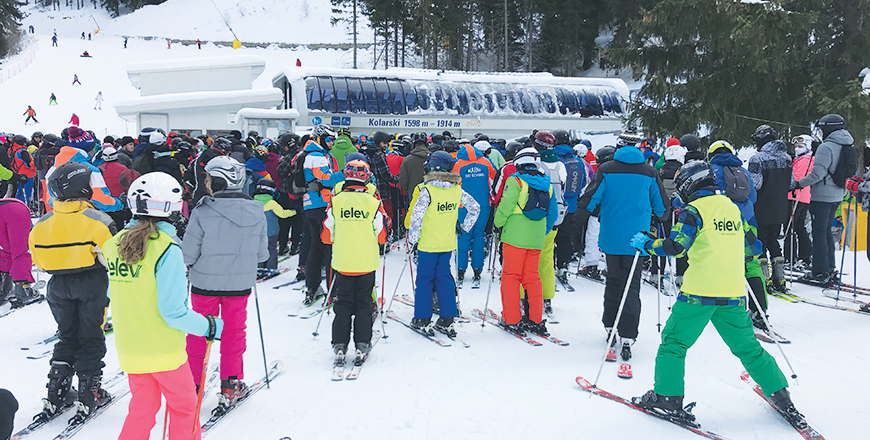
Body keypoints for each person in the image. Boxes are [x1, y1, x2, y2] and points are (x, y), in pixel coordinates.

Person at [630, 161, 807, 431]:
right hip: (733, 292)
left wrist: (646, 243)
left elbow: (676, 247)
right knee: (749, 349)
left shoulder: (694, 211)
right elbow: (754, 245)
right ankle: (781, 394)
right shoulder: (732, 209)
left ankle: (667, 397)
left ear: (690, 184)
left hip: (699, 293)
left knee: (674, 344)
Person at [105, 172, 222, 440]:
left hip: (131, 348)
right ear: (171, 207)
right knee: (183, 408)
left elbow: (116, 293)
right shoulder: (167, 249)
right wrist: (209, 325)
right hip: (164, 352)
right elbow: (173, 312)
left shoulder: (112, 245)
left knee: (142, 409)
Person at [29, 161, 117, 424]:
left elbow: (39, 261)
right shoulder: (99, 220)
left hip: (56, 285)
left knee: (67, 336)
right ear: (83, 188)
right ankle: (90, 392)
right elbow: (111, 258)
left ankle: (56, 391)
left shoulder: (42, 224)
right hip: (91, 282)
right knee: (91, 337)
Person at [578, 129, 667, 376]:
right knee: (632, 286)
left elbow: (592, 196)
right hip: (637, 240)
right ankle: (628, 334)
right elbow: (660, 205)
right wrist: (662, 216)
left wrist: (582, 216)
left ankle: (610, 325)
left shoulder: (606, 168)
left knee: (614, 282)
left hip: (611, 235)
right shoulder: (649, 171)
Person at [183, 156, 267, 410]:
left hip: (203, 284)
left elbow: (188, 254)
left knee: (199, 332)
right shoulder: (256, 210)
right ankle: (231, 384)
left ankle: (192, 385)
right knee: (233, 333)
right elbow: (262, 255)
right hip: (239, 285)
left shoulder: (202, 211)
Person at [407, 151, 479, 337]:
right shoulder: (456, 189)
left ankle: (422, 319)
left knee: (424, 281)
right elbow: (475, 207)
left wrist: (413, 241)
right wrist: (464, 226)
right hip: (447, 244)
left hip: (427, 245)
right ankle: (447, 319)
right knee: (444, 280)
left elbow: (416, 218)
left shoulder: (427, 190)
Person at [323, 160, 386, 364]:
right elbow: (382, 236)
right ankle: (362, 343)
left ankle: (340, 344)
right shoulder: (373, 203)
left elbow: (326, 235)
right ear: (366, 178)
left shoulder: (336, 201)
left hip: (343, 262)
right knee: (364, 304)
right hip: (366, 262)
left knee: (342, 304)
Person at [707, 140, 769, 330]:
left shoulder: (711, 171)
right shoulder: (744, 172)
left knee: (722, 263)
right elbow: (754, 197)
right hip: (749, 224)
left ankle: (723, 305)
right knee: (751, 264)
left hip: (723, 224)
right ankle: (760, 309)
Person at [494, 147, 557, 335]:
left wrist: (498, 224)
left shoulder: (516, 181)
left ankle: (512, 319)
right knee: (533, 277)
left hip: (514, 237)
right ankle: (535, 319)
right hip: (536, 237)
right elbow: (552, 213)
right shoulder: (547, 184)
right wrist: (542, 231)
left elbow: (505, 207)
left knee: (511, 277)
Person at [795, 114, 852, 285]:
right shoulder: (847, 144)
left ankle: (819, 271)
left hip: (822, 196)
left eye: (821, 129)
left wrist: (799, 183)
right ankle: (829, 268)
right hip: (837, 194)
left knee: (818, 233)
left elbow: (817, 174)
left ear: (827, 129)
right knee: (826, 231)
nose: (819, 133)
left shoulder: (826, 147)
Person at [747, 125, 793, 294]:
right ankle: (780, 278)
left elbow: (755, 184)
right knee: (774, 240)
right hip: (781, 208)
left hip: (761, 207)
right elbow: (792, 183)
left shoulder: (757, 158)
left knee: (760, 242)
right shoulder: (787, 158)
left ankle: (763, 278)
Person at [301, 126, 344, 302]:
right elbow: (326, 179)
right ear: (318, 139)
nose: (331, 143)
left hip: (310, 204)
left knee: (316, 248)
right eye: (328, 140)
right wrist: (345, 174)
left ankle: (312, 287)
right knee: (329, 248)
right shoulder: (317, 157)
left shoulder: (306, 154)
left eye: (332, 139)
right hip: (322, 204)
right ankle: (333, 291)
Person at [453, 141, 495, 286]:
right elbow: (494, 181)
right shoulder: (486, 163)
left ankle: (460, 269)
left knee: (463, 236)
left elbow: (453, 185)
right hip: (483, 205)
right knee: (479, 235)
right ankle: (477, 268)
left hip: (463, 206)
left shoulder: (458, 164)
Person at [0, 198, 42, 308]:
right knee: (18, 250)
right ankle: (23, 289)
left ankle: (4, 287)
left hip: (10, 209)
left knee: (5, 250)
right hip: (17, 210)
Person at [253, 178, 295, 276]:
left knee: (260, 249)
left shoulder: (253, 202)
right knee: (271, 249)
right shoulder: (272, 203)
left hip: (257, 232)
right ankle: (271, 268)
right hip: (272, 232)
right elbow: (283, 214)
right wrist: (293, 212)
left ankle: (260, 268)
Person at [784, 135, 814, 269]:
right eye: (796, 147)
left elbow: (797, 178)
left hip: (795, 196)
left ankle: (790, 257)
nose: (797, 149)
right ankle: (805, 255)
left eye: (800, 146)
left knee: (789, 226)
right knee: (798, 227)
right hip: (803, 197)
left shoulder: (805, 160)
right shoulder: (801, 159)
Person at [7, 135, 36, 205]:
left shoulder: (11, 149)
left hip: (18, 173)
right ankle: (24, 208)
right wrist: (36, 164)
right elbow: (30, 164)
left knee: (20, 192)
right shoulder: (22, 152)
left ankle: (16, 207)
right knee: (26, 193)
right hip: (27, 175)